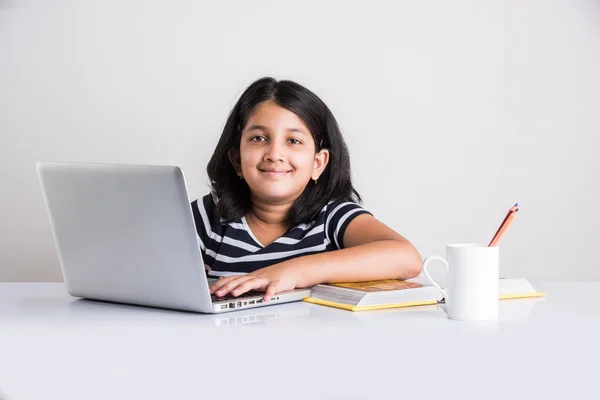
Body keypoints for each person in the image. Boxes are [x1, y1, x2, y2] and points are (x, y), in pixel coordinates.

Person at [191, 77, 422, 302]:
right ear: (237, 160)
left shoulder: (332, 217)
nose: (274, 154)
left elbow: (406, 258)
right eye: (259, 138)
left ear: (317, 163)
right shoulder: (208, 215)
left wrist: (293, 271)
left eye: (293, 141)